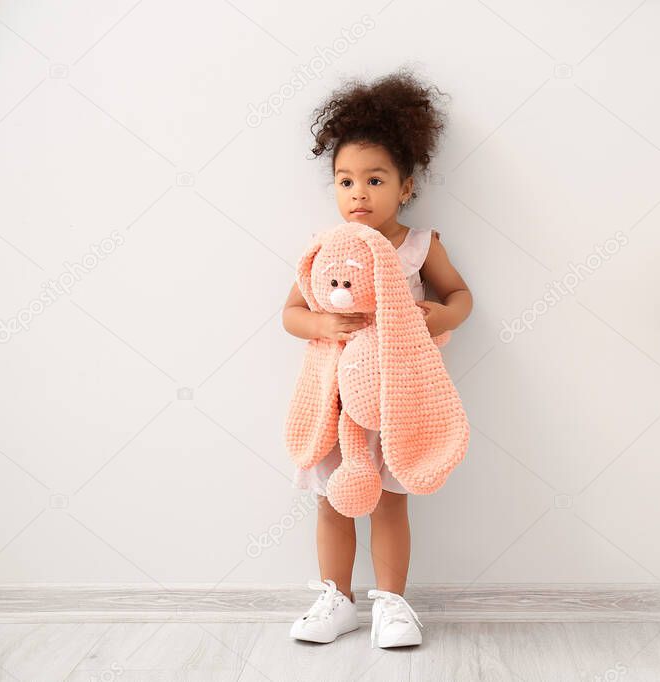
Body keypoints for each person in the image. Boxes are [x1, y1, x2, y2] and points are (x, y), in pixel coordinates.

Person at [282, 68, 472, 648]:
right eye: (344, 181)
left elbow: (460, 296)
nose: (358, 193)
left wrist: (442, 315)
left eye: (374, 179)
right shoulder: (326, 249)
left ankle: (392, 603)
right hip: (337, 399)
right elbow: (291, 312)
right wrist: (320, 321)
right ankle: (334, 598)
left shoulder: (418, 246)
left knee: (390, 502)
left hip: (394, 403)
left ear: (405, 187)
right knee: (334, 502)